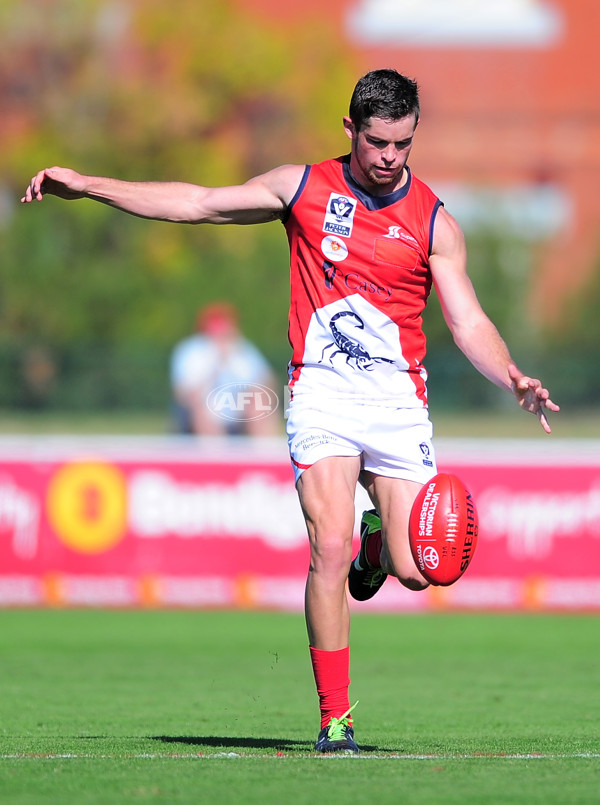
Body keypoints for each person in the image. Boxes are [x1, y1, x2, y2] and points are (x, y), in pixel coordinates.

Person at [22, 68, 559, 754]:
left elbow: (468, 320)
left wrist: (510, 372)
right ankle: (336, 719)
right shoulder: (302, 189)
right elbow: (198, 202)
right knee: (326, 545)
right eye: (376, 142)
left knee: (420, 566)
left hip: (398, 402)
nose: (390, 157)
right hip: (323, 393)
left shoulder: (434, 221)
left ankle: (377, 547)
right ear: (349, 130)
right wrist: (91, 185)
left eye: (402, 142)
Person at [170, 301, 278, 436]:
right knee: (201, 409)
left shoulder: (242, 348)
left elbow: (266, 380)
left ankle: (264, 454)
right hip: (203, 410)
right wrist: (217, 364)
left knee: (260, 403)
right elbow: (183, 393)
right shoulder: (191, 350)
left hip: (239, 411)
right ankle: (215, 455)